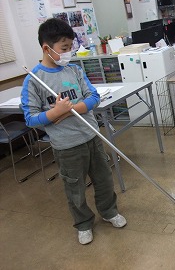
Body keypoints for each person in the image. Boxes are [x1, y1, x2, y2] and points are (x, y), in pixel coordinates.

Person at [21, 18, 126, 245]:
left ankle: (109, 212)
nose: (69, 53)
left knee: (104, 180)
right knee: (74, 188)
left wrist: (69, 111)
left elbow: (94, 98)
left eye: (71, 47)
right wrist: (54, 112)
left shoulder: (74, 70)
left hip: (91, 136)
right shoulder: (34, 80)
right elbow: (30, 119)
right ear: (46, 48)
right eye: (64, 48)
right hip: (66, 146)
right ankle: (83, 224)